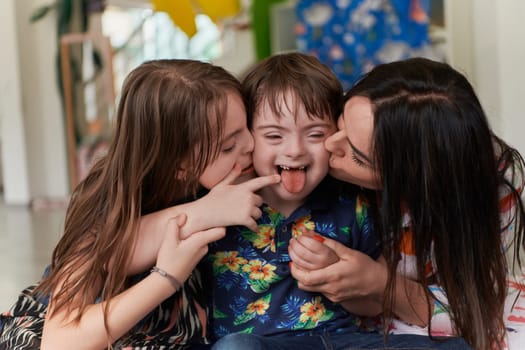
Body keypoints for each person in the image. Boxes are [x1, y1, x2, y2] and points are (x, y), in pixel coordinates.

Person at [0, 59, 280, 350]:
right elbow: (61, 341)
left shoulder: (229, 173)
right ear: (179, 165)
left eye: (249, 126)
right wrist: (167, 275)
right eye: (228, 146)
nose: (250, 145)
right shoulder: (111, 195)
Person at [208, 53, 461, 350]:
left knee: (456, 347)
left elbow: (369, 305)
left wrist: (335, 272)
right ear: (248, 137)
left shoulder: (352, 204)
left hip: (340, 340)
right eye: (274, 136)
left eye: (315, 134)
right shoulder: (222, 202)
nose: (295, 150)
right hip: (259, 344)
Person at [288, 57, 525, 350]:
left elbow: (472, 311)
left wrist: (379, 283)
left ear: (416, 179)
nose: (329, 145)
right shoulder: (308, 161)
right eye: (341, 120)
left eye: (358, 156)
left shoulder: (491, 185)